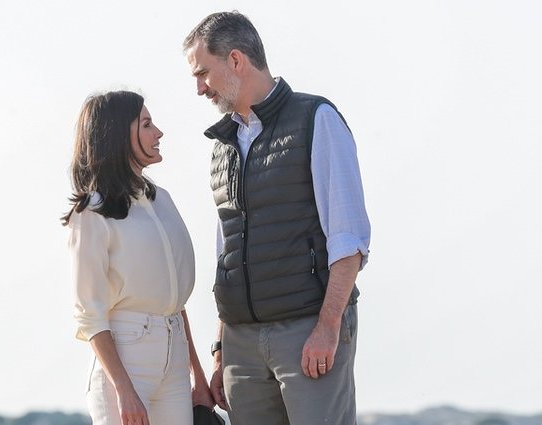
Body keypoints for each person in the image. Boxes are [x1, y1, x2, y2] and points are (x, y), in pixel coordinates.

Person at [183, 12, 371, 425]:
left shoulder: (315, 118)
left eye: (202, 74)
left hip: (307, 332)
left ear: (235, 60)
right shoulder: (222, 147)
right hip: (241, 347)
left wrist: (327, 328)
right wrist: (221, 349)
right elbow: (227, 256)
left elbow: (349, 238)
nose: (198, 89)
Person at [62, 91, 213, 425]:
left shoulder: (162, 201)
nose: (158, 132)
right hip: (126, 359)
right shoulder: (91, 213)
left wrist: (197, 377)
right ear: (118, 136)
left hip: (174, 358)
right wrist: (123, 389)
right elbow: (89, 314)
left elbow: (173, 300)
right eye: (146, 124)